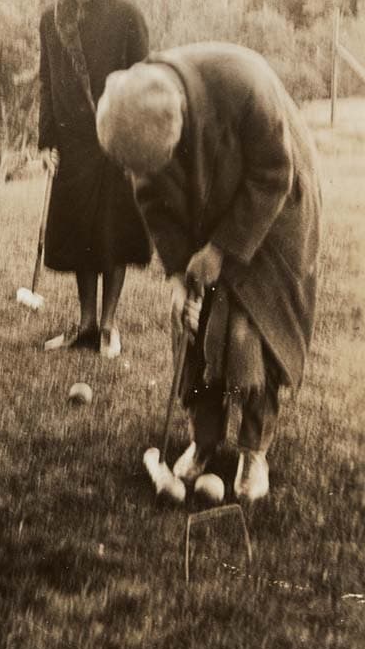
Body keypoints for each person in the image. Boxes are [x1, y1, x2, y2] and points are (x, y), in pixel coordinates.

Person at [96, 42, 322, 501]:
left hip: (276, 205)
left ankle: (253, 450)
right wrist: (180, 274)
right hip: (205, 199)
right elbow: (154, 202)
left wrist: (220, 249)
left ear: (180, 120)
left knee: (248, 330)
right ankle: (204, 439)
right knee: (195, 323)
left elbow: (274, 174)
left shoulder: (243, 82)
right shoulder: (136, 108)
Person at [38, 0, 153, 358]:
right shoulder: (51, 19)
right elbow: (47, 82)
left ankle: (109, 325)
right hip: (72, 143)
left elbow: (143, 81)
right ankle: (85, 324)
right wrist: (46, 140)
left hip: (116, 141)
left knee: (113, 231)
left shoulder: (127, 16)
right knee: (79, 232)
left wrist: (135, 139)